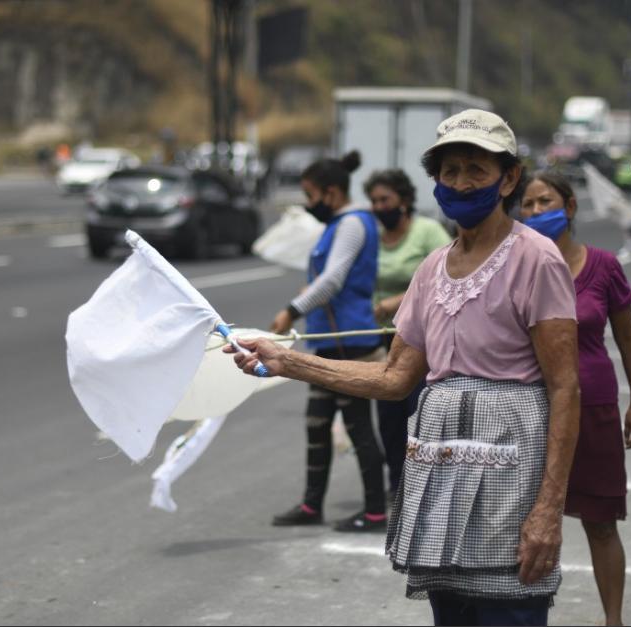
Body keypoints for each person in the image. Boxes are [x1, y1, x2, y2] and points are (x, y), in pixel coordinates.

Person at [230, 110, 580, 626]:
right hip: (440, 466)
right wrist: (288, 361)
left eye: (476, 169)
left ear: (508, 178)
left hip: (512, 471)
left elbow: (566, 388)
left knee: (510, 607)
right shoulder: (432, 269)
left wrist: (548, 510)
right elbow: (394, 379)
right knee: (452, 611)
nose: (460, 181)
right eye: (449, 170)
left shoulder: (537, 260)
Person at [520, 172, 631, 627]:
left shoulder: (604, 265)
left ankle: (613, 620)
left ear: (569, 207)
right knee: (525, 521)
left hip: (593, 407)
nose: (536, 212)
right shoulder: (518, 266)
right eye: (527, 205)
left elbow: (627, 337)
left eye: (545, 201)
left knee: (600, 521)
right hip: (532, 409)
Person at [267, 150, 388, 532]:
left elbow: (333, 280)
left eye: (311, 194)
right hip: (330, 341)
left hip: (350, 341)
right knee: (317, 423)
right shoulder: (339, 222)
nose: (308, 203)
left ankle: (374, 512)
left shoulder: (353, 223)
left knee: (357, 425)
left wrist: (291, 310)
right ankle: (311, 505)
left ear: (331, 192)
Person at [364, 169, 452, 502]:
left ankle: (426, 483)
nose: (379, 206)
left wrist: (394, 303)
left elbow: (447, 276)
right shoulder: (372, 238)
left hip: (424, 340)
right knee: (388, 415)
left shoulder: (428, 232)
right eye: (373, 201)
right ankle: (396, 484)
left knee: (419, 410)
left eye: (385, 199)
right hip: (384, 339)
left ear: (403, 200)